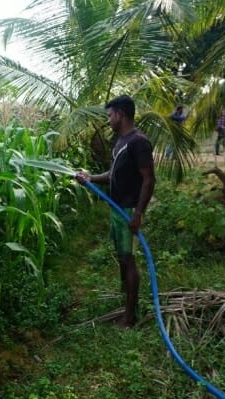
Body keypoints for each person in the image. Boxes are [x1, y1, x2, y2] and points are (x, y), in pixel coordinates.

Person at [75, 95, 156, 328]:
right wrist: (90, 178)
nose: (108, 119)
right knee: (122, 257)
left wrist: (138, 213)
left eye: (110, 115)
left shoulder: (139, 142)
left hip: (128, 210)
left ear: (120, 113)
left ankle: (130, 317)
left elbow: (149, 180)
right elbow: (112, 175)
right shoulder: (121, 141)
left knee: (129, 260)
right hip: (117, 208)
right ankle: (127, 300)